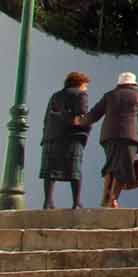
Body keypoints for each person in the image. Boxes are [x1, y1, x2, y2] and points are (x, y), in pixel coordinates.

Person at [84, 72, 138, 209]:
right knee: (122, 167)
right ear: (133, 84)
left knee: (111, 165)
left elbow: (94, 114)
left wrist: (80, 121)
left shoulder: (109, 95)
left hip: (109, 137)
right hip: (129, 137)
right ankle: (113, 198)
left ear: (119, 83)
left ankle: (105, 198)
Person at [38, 72, 91, 209]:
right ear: (80, 83)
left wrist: (45, 135)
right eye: (85, 85)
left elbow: (46, 118)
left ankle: (48, 201)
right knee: (74, 170)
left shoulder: (55, 95)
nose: (86, 89)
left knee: (50, 170)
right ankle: (76, 202)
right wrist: (86, 131)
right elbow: (82, 116)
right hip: (72, 137)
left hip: (52, 136)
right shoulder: (81, 94)